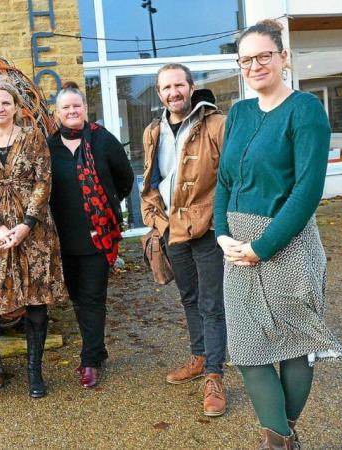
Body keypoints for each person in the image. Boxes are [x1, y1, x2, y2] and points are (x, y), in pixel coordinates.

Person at [214, 19, 342, 448]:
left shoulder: (305, 110)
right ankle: (287, 438)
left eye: (263, 56)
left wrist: (263, 246)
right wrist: (221, 233)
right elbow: (225, 182)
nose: (255, 66)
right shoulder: (238, 112)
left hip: (286, 242)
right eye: (246, 59)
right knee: (248, 348)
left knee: (292, 342)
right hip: (237, 247)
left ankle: (278, 439)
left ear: (283, 57)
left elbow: (307, 191)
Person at [0, 75, 66, 407]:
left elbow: (43, 181)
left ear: (17, 107)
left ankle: (35, 373)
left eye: (6, 102)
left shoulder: (33, 137)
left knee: (36, 303)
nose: (0, 108)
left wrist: (26, 224)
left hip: (33, 231)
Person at [140, 63, 228, 417]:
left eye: (179, 85)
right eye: (166, 87)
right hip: (172, 230)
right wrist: (156, 222)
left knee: (212, 303)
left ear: (191, 87)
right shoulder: (153, 131)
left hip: (206, 228)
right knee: (189, 298)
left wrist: (219, 222)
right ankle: (200, 356)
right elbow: (150, 182)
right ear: (159, 93)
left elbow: (229, 178)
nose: (173, 92)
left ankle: (215, 377)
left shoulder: (216, 124)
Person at [47, 81, 133, 388]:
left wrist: (108, 204)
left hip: (98, 236)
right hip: (64, 237)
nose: (72, 111)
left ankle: (90, 360)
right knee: (77, 300)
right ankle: (97, 348)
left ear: (85, 109)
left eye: (76, 106)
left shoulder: (102, 140)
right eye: (65, 107)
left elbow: (125, 177)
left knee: (94, 299)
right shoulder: (49, 146)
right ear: (57, 113)